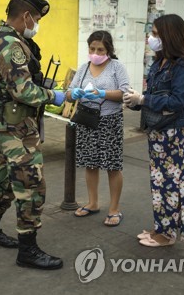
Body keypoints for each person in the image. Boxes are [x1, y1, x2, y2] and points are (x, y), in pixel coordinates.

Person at [0, 0, 65, 270]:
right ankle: (28, 249)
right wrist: (56, 96)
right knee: (31, 185)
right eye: (37, 18)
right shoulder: (11, 45)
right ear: (26, 16)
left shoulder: (0, 36)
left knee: (5, 179)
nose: (37, 24)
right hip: (16, 128)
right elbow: (23, 90)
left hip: (6, 123)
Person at [124, 14, 184, 247]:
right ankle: (160, 227)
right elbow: (155, 97)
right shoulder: (159, 63)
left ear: (169, 36)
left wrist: (144, 98)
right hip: (158, 133)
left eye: (156, 34)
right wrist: (136, 100)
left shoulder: (183, 65)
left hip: (174, 134)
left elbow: (177, 101)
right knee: (158, 183)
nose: (152, 38)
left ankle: (168, 235)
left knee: (171, 184)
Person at [67, 31, 129, 227]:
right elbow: (69, 93)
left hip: (109, 121)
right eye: (92, 49)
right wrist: (73, 93)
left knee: (112, 165)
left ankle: (114, 208)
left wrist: (102, 93)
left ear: (108, 49)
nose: (95, 52)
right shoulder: (84, 68)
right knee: (90, 163)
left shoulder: (116, 67)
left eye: (100, 49)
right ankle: (93, 203)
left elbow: (125, 93)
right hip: (87, 121)